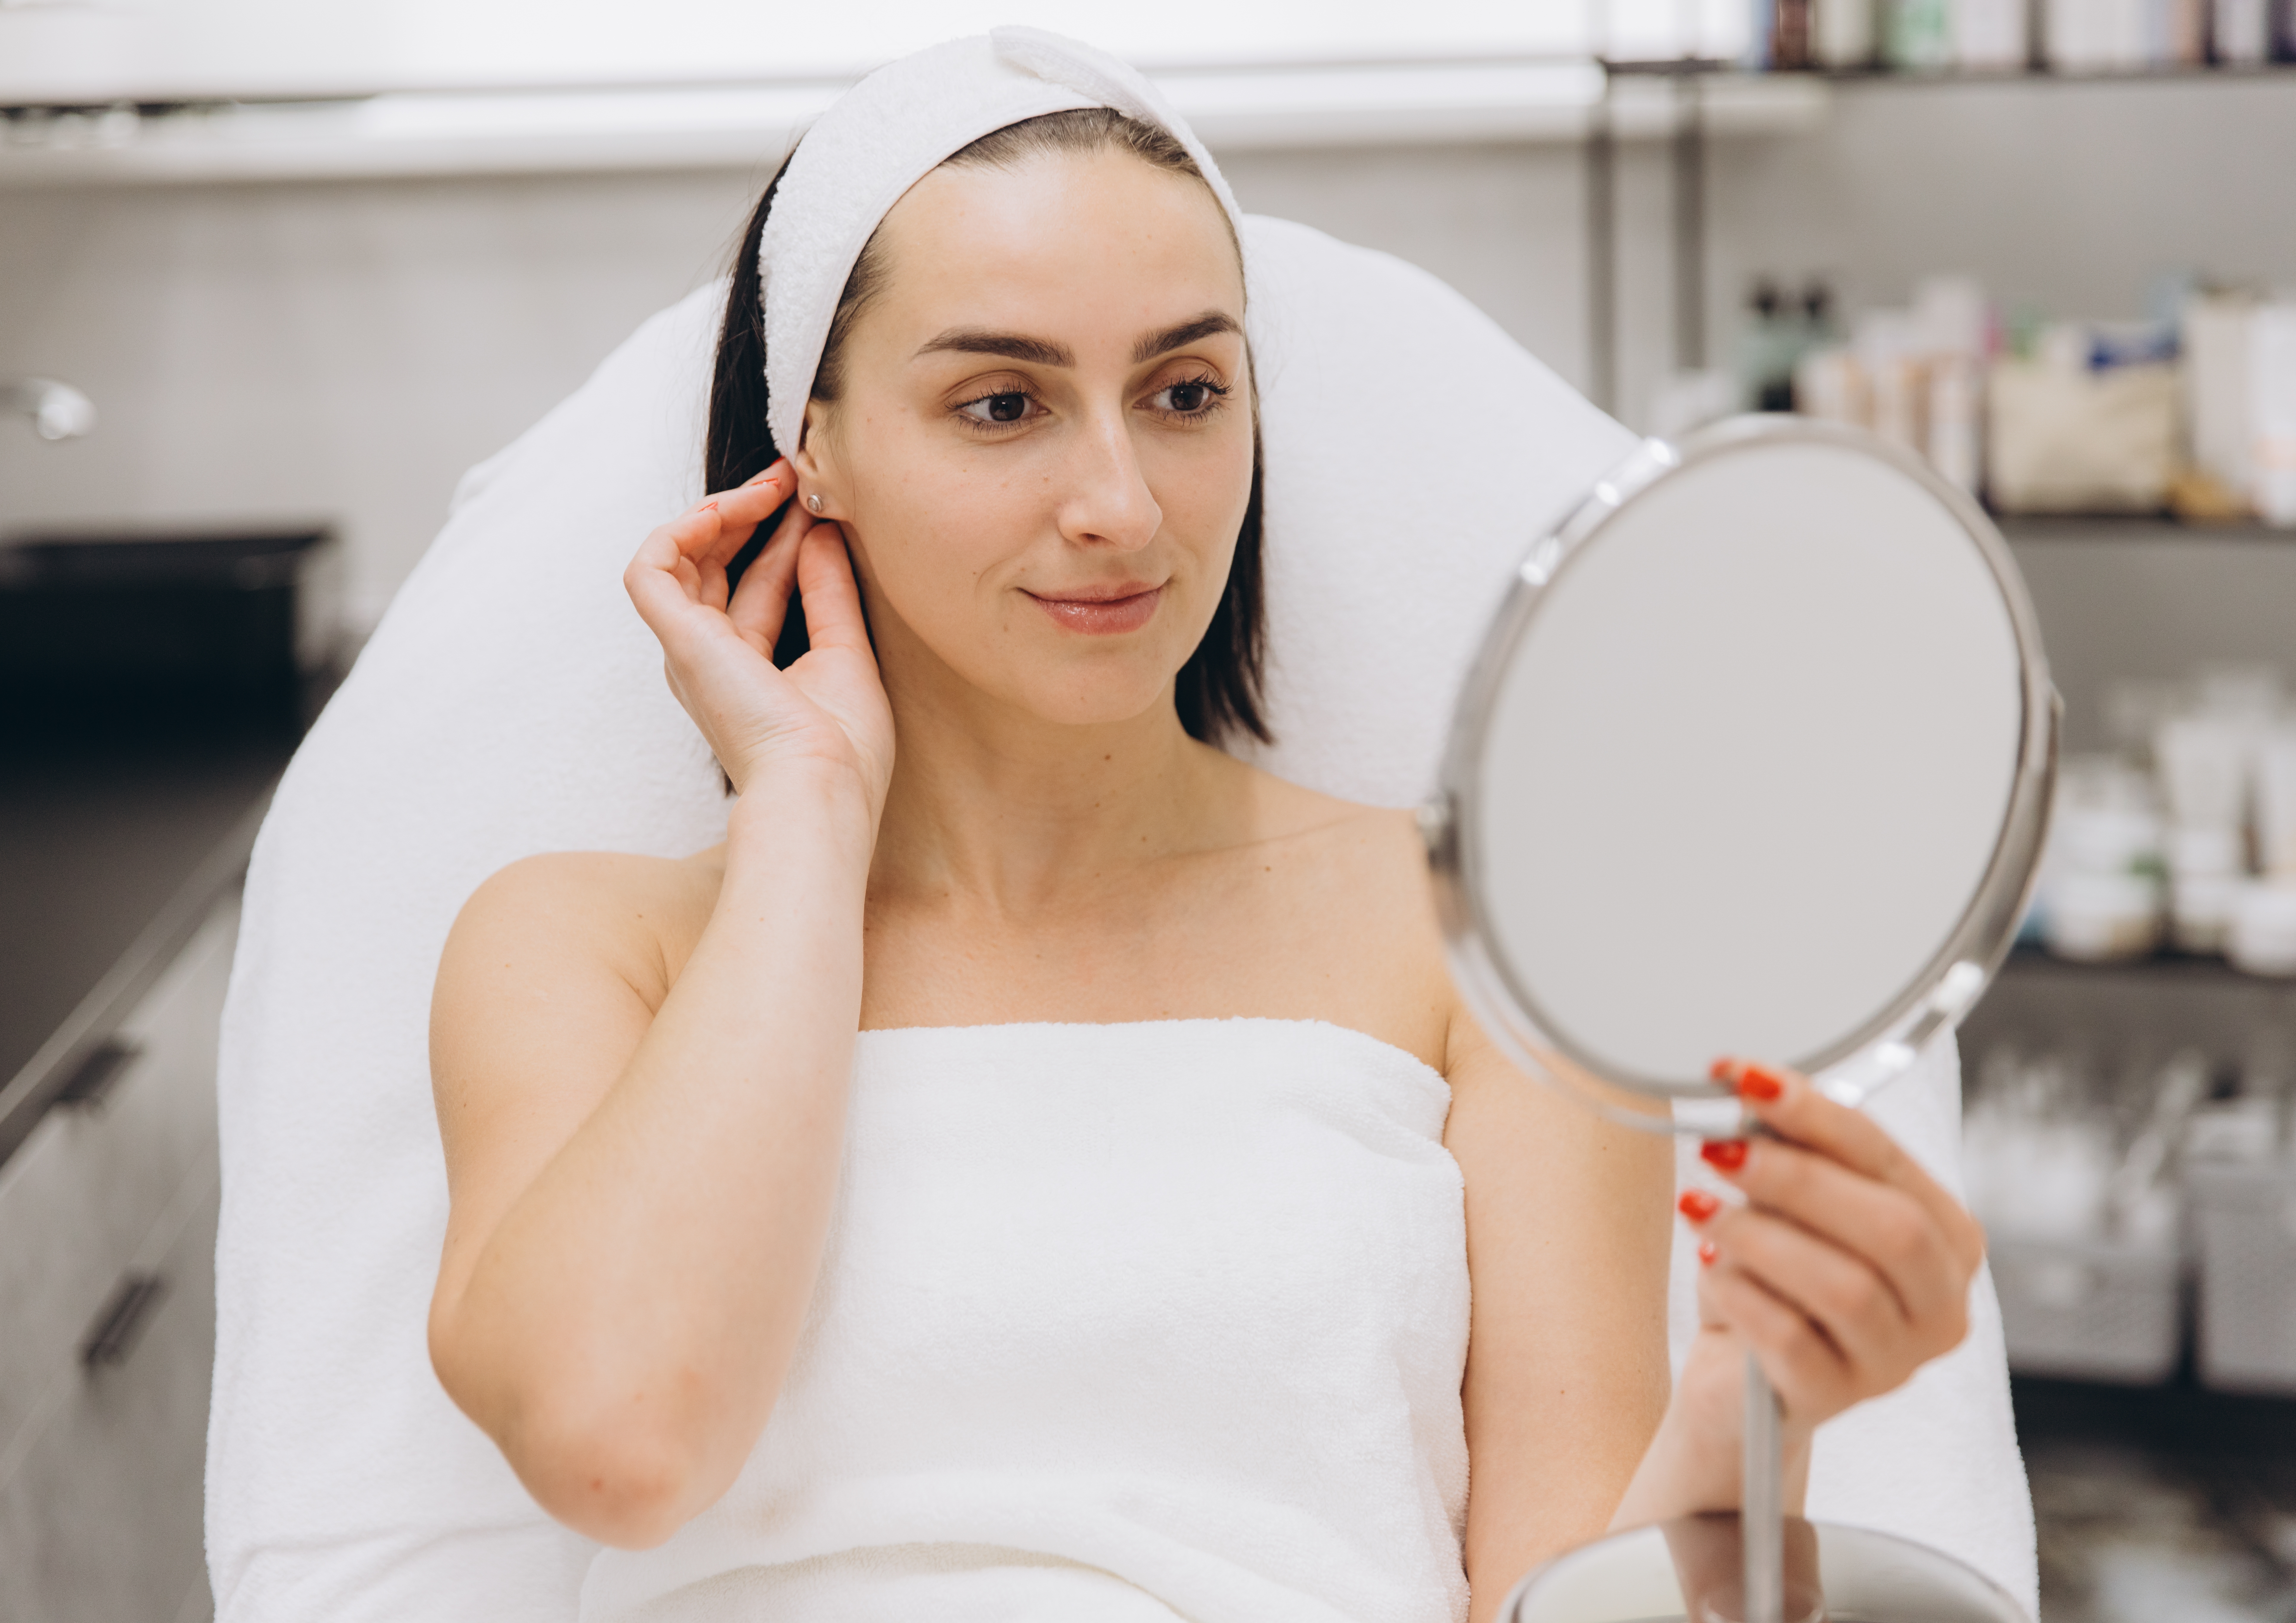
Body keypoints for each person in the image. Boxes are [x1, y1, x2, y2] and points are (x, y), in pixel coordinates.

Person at [421, 32, 1984, 1622]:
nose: (1123, 501)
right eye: (1002, 402)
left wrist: (1749, 1410)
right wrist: (806, 823)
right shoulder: (585, 945)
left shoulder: (1477, 936)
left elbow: (1556, 1596)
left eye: (1184, 393)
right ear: (810, 449)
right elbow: (620, 1443)